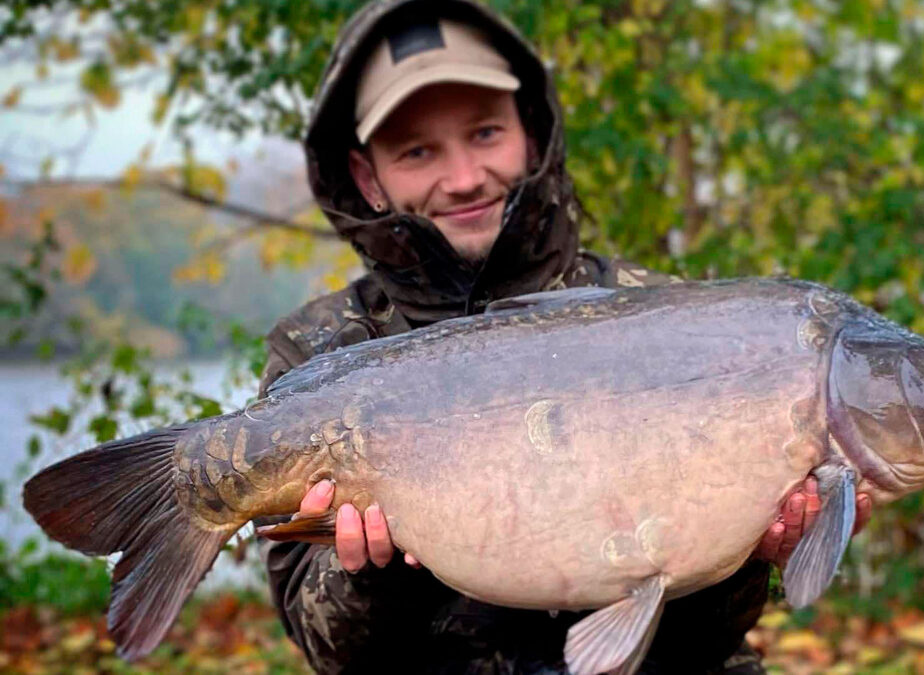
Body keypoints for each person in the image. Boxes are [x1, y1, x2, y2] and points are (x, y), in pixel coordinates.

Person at [257, 1, 872, 672]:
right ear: (369, 177)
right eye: (417, 151)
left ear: (530, 130)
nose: (464, 177)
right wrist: (373, 572)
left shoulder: (665, 317)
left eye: (486, 133)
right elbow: (326, 651)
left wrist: (752, 553)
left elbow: (710, 640)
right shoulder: (320, 352)